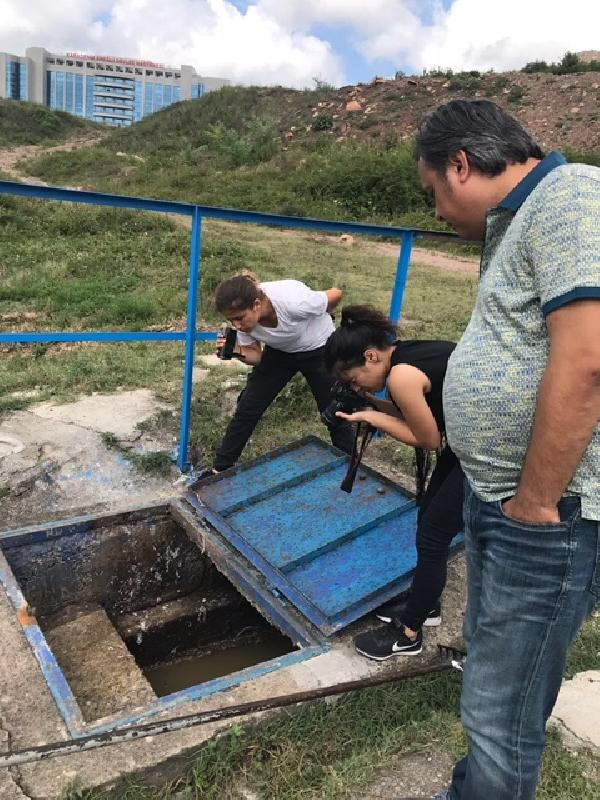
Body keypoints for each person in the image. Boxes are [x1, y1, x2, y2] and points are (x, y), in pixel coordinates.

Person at [402, 99, 600, 800]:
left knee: (498, 710)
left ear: (461, 164)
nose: (437, 213)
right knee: (497, 684)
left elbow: (587, 361)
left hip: (545, 513)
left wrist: (536, 501)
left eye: (433, 193)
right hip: (505, 501)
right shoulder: (523, 218)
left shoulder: (571, 196)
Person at [323, 304, 464, 659]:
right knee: (428, 520)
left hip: (490, 451)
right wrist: (368, 403)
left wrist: (375, 416)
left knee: (433, 535)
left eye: (354, 380)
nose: (355, 385)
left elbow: (429, 439)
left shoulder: (401, 376)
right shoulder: (408, 356)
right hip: (468, 442)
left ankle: (408, 634)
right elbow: (417, 415)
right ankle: (426, 605)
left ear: (371, 356)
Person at [211, 272, 354, 472]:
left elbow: (336, 294)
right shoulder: (244, 323)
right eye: (231, 320)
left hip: (319, 348)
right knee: (248, 407)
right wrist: (237, 351)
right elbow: (257, 357)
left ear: (257, 304)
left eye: (240, 318)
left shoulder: (293, 301)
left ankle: (350, 469)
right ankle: (220, 468)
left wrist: (324, 314)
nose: (237, 325)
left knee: (333, 412)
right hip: (280, 351)